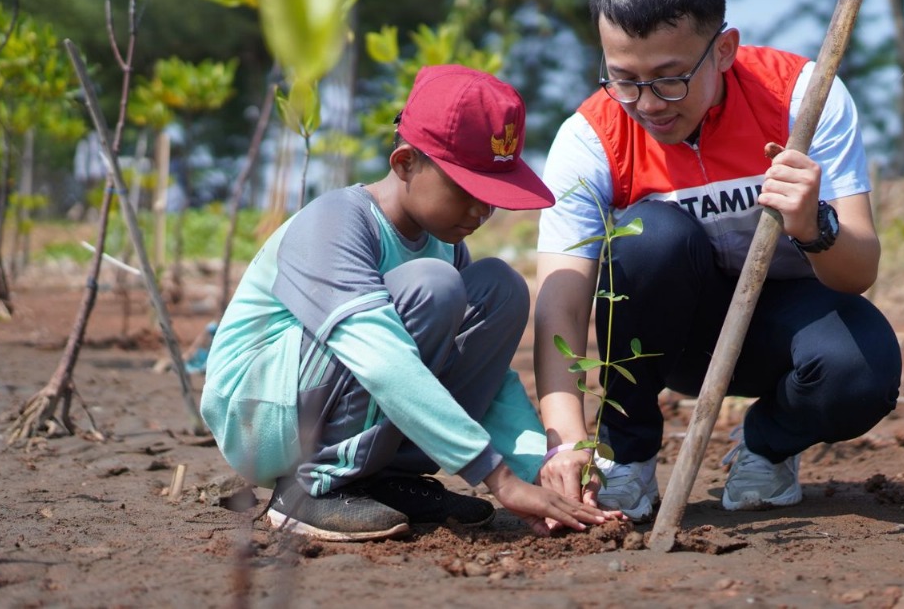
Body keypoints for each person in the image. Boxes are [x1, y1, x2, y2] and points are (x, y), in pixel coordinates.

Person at [533, 0, 902, 522]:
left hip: (787, 326)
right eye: (624, 78)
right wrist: (566, 439)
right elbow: (563, 302)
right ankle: (627, 456)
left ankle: (768, 445)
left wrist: (815, 224)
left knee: (862, 370)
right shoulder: (590, 137)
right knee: (648, 236)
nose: (648, 104)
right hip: (669, 339)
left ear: (724, 49)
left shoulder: (802, 97)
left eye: (670, 78)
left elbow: (859, 272)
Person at [202, 65, 615, 541]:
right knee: (432, 287)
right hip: (262, 418)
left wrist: (539, 469)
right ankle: (313, 487)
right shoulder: (335, 223)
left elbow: (488, 379)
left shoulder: (443, 242)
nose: (482, 211)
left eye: (492, 195)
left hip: (328, 396)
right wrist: (497, 478)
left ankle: (383, 478)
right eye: (467, 191)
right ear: (405, 164)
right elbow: (382, 359)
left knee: (500, 287)